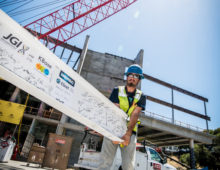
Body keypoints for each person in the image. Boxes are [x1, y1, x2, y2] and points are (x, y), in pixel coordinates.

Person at [98, 64, 146, 170]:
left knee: (128, 166)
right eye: (130, 74)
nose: (132, 77)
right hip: (113, 129)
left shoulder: (141, 96)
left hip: (130, 132)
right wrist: (115, 133)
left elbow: (135, 114)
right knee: (104, 163)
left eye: (136, 76)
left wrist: (128, 134)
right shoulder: (117, 90)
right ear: (127, 76)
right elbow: (115, 111)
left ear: (139, 79)